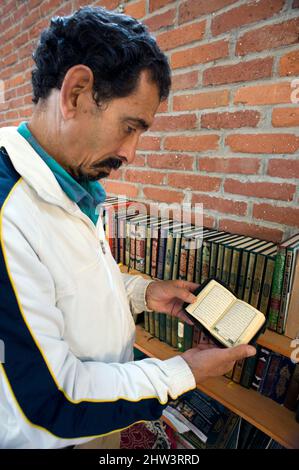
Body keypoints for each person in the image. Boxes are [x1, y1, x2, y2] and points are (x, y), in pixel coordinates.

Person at [0, 6, 256, 449]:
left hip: (101, 415)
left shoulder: (67, 177)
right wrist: (184, 372)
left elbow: (58, 287)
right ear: (76, 93)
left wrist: (140, 293)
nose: (132, 152)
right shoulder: (8, 213)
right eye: (130, 126)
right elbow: (49, 403)